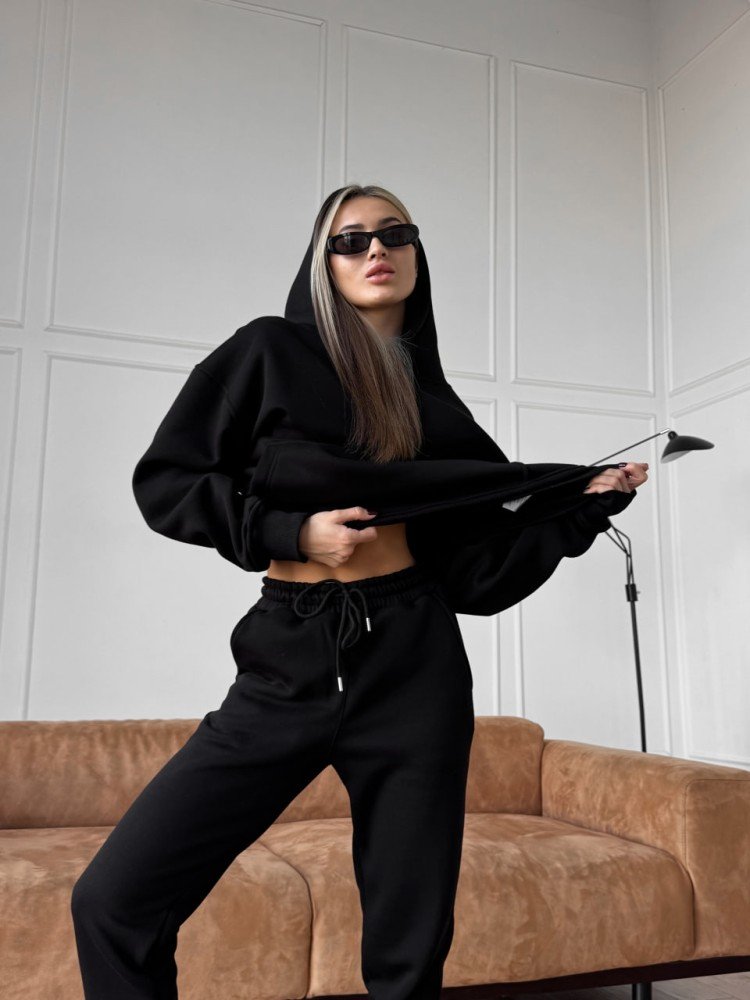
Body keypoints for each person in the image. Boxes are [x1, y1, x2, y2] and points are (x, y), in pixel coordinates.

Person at [70, 183, 649, 1000]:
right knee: (114, 900)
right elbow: (167, 481)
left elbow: (479, 575)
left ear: (416, 253)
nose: (376, 250)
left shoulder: (433, 407)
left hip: (414, 660)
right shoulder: (267, 351)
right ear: (324, 263)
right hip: (290, 654)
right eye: (350, 239)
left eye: (394, 233)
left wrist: (584, 507)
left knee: (408, 956)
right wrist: (291, 533)